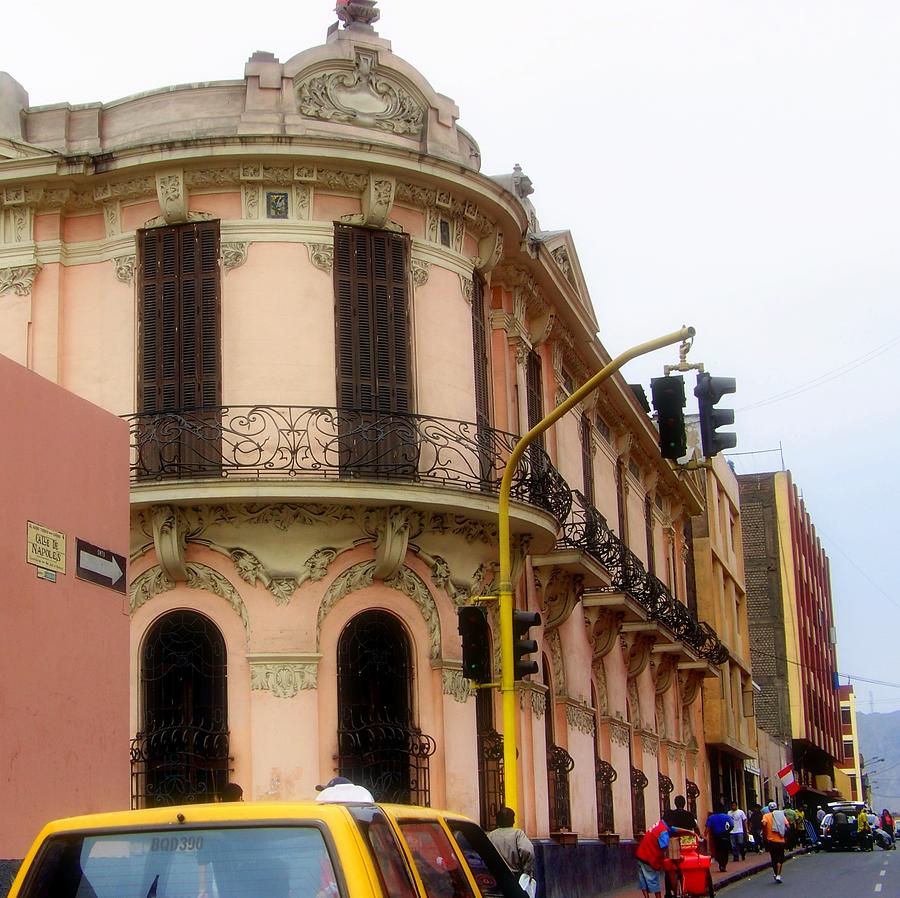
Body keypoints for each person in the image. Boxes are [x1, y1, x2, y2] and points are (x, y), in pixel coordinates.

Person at [635, 818, 694, 898]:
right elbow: (665, 847)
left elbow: (673, 829)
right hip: (649, 858)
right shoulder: (664, 832)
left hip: (640, 854)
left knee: (643, 881)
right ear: (670, 822)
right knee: (653, 880)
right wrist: (676, 856)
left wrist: (688, 831)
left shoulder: (660, 824)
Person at [487, 806, 535, 879]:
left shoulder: (491, 836)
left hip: (496, 876)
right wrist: (527, 871)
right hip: (515, 875)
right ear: (512, 820)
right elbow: (528, 851)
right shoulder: (518, 834)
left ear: (498, 821)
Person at [762, 801, 787, 883]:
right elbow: (788, 825)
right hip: (781, 840)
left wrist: (765, 833)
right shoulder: (781, 815)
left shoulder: (766, 816)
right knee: (780, 858)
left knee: (774, 858)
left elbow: (763, 823)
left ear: (769, 809)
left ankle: (776, 874)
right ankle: (779, 875)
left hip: (771, 840)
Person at [705, 807, 733, 872]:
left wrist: (705, 834)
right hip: (725, 835)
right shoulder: (727, 817)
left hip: (716, 835)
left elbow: (708, 827)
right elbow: (732, 825)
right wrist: (728, 831)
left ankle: (721, 864)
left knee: (718, 850)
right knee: (725, 851)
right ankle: (724, 865)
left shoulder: (711, 817)